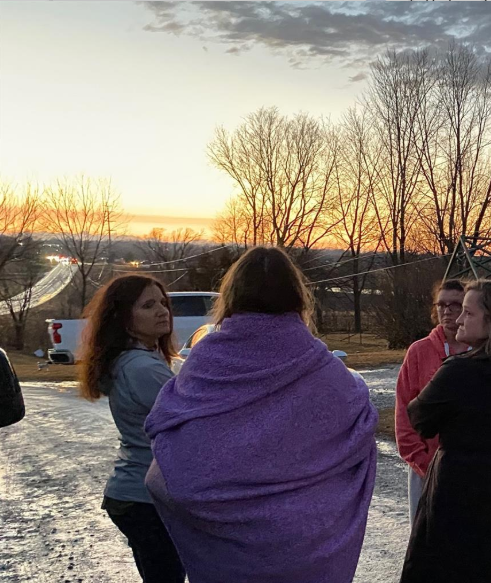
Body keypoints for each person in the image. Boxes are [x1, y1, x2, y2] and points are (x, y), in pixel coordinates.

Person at [143, 246, 377, 583]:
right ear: (297, 297)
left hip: (226, 556)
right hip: (305, 551)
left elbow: (170, 452)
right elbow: (360, 428)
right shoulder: (326, 370)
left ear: (231, 297)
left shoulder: (204, 362)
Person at [400, 280, 491, 583]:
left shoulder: (459, 371)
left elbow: (420, 417)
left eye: (467, 312)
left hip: (458, 496)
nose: (459, 319)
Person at [78, 275, 185, 583]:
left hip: (135, 496)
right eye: (148, 306)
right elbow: (194, 420)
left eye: (163, 303)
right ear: (123, 318)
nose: (162, 311)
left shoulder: (137, 359)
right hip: (144, 498)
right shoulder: (142, 367)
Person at [394, 279, 469, 524]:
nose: (447, 311)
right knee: (426, 534)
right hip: (427, 466)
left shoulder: (482, 350)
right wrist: (421, 460)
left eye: (455, 305)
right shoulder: (419, 352)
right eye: (441, 305)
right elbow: (404, 411)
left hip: (471, 467)